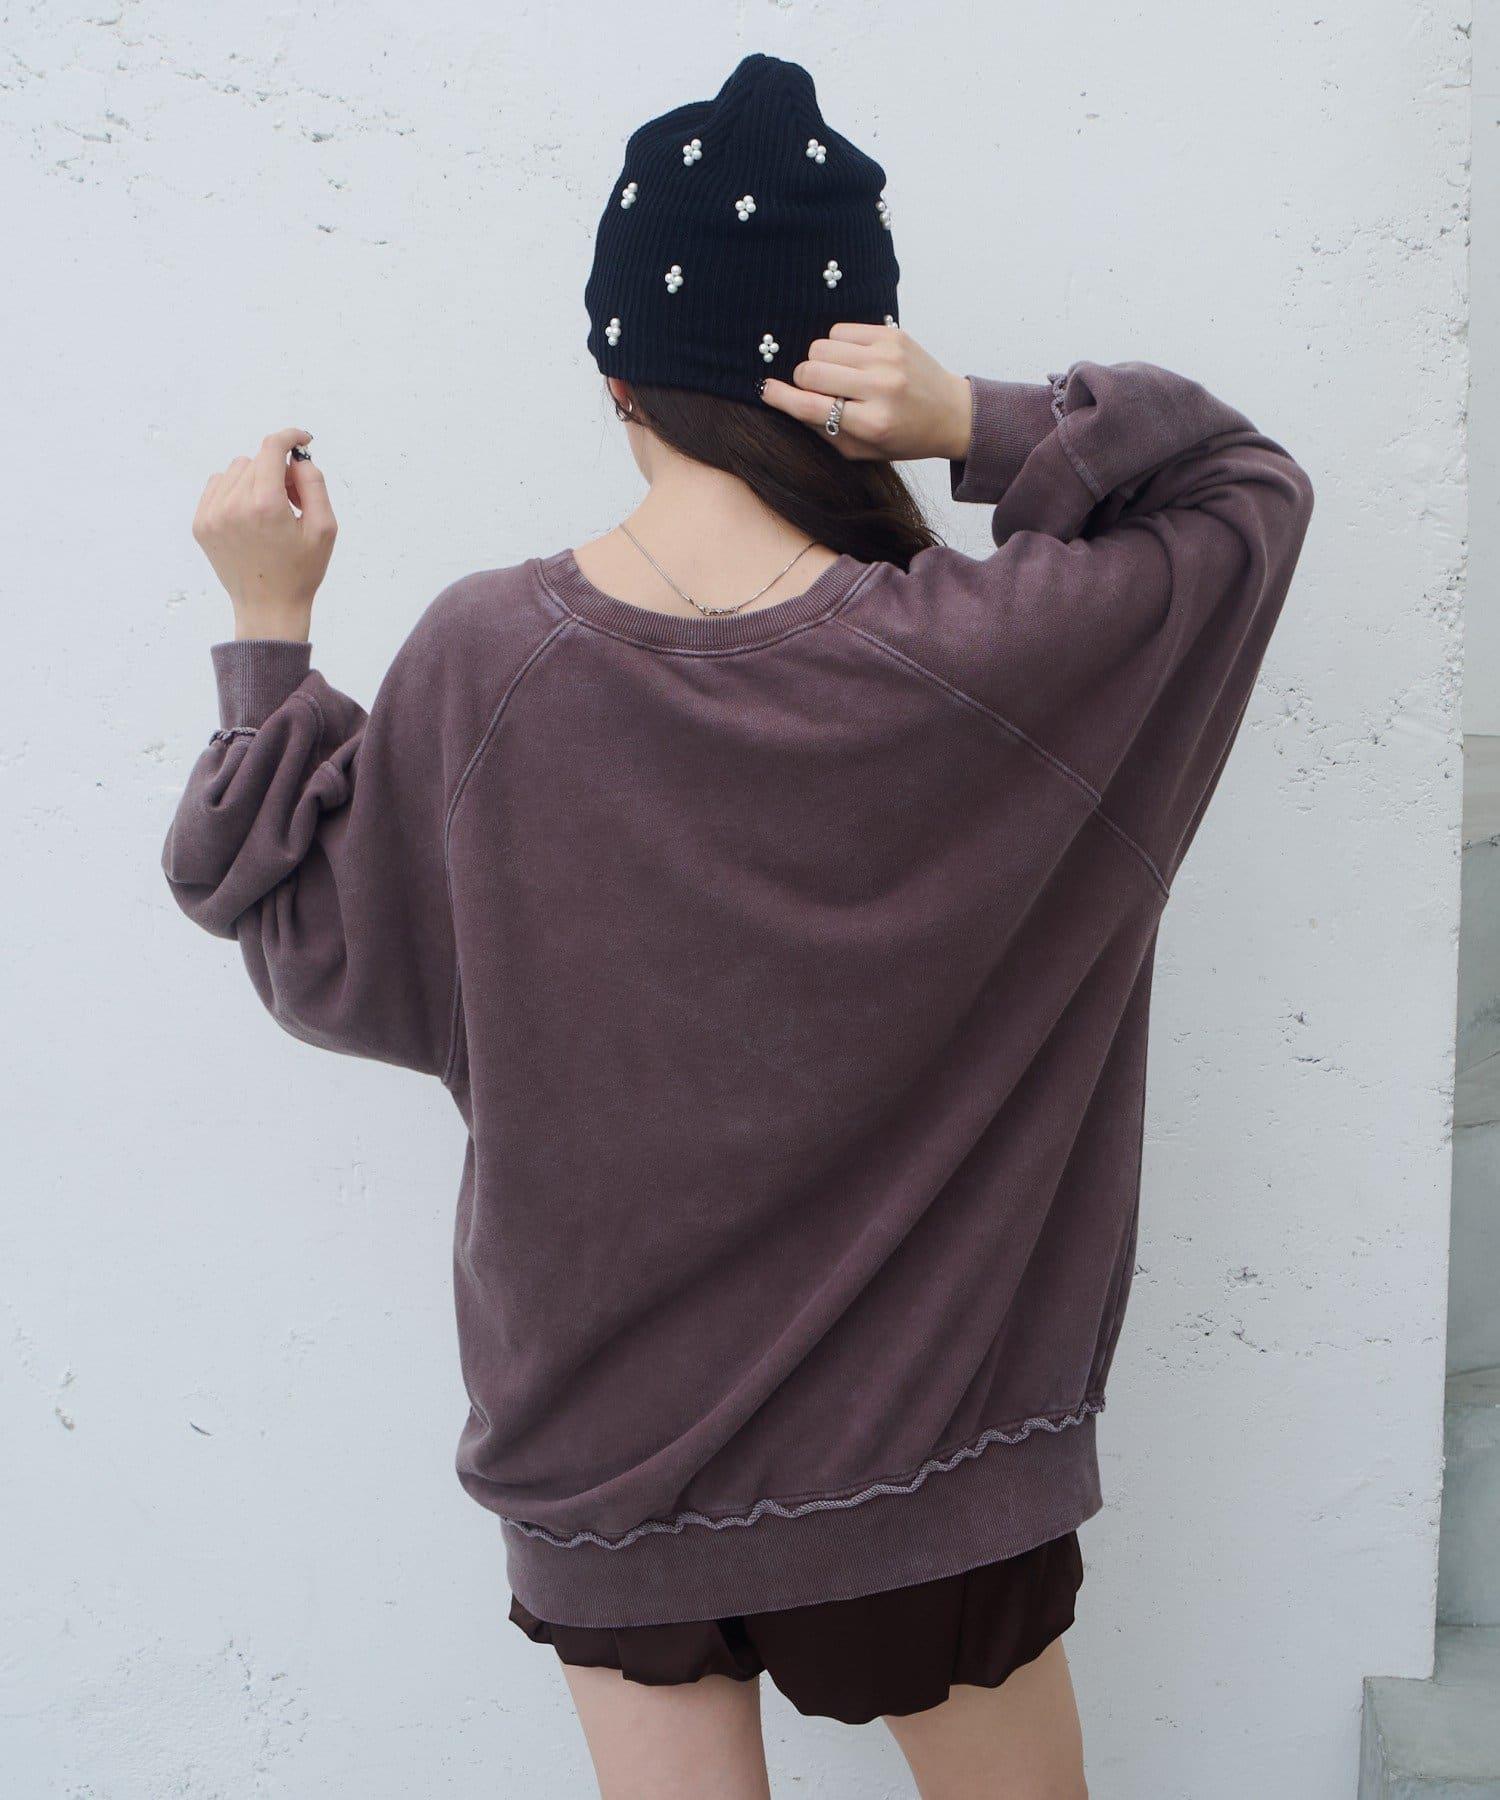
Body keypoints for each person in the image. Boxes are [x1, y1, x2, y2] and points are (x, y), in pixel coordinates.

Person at [162, 51, 1314, 1800]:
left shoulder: (485, 661)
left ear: (617, 369)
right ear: (848, 379)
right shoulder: (990, 662)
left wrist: (268, 629)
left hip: (597, 1452)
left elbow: (324, 961)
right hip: (923, 1449)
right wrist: (978, 420)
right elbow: (1244, 494)